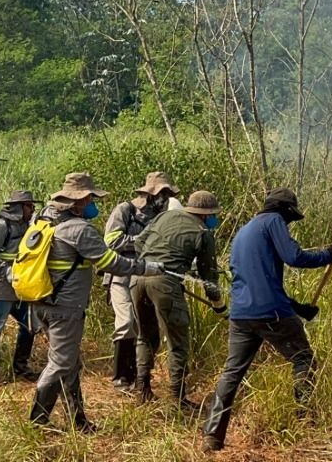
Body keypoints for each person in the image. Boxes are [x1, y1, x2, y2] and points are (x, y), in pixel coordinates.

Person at [201, 187, 332, 452]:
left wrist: (298, 308)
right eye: (290, 217)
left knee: (232, 372)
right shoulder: (274, 220)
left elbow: (259, 283)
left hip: (241, 314)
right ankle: (305, 421)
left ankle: (212, 436)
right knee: (303, 359)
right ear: (284, 210)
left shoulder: (244, 232)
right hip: (270, 312)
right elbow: (294, 257)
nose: (288, 223)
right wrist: (330, 255)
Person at [30, 172, 167, 432]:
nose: (93, 203)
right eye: (91, 199)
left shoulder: (44, 221)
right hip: (65, 309)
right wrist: (148, 268)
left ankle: (78, 421)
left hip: (43, 303)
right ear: (80, 200)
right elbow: (110, 262)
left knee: (70, 363)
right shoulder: (79, 229)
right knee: (61, 364)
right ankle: (37, 422)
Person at [132, 190, 225, 410]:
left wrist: (153, 263)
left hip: (137, 278)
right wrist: (219, 306)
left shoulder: (165, 216)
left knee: (145, 337)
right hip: (164, 284)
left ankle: (142, 390)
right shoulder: (203, 232)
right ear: (206, 214)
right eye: (213, 215)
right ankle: (177, 399)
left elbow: (139, 242)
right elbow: (209, 276)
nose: (214, 219)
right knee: (178, 342)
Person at [103, 172, 181, 390]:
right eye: (163, 193)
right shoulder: (125, 210)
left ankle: (139, 377)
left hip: (147, 277)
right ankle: (121, 377)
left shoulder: (161, 215)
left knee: (146, 329)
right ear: (150, 193)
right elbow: (111, 241)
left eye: (168, 194)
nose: (165, 199)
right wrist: (143, 240)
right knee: (126, 322)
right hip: (121, 275)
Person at [0, 190, 40, 384]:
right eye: (29, 206)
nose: (32, 209)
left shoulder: (28, 226)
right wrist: (7, 271)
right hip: (0, 288)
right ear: (19, 207)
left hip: (22, 288)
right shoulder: (0, 226)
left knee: (30, 327)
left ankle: (21, 367)